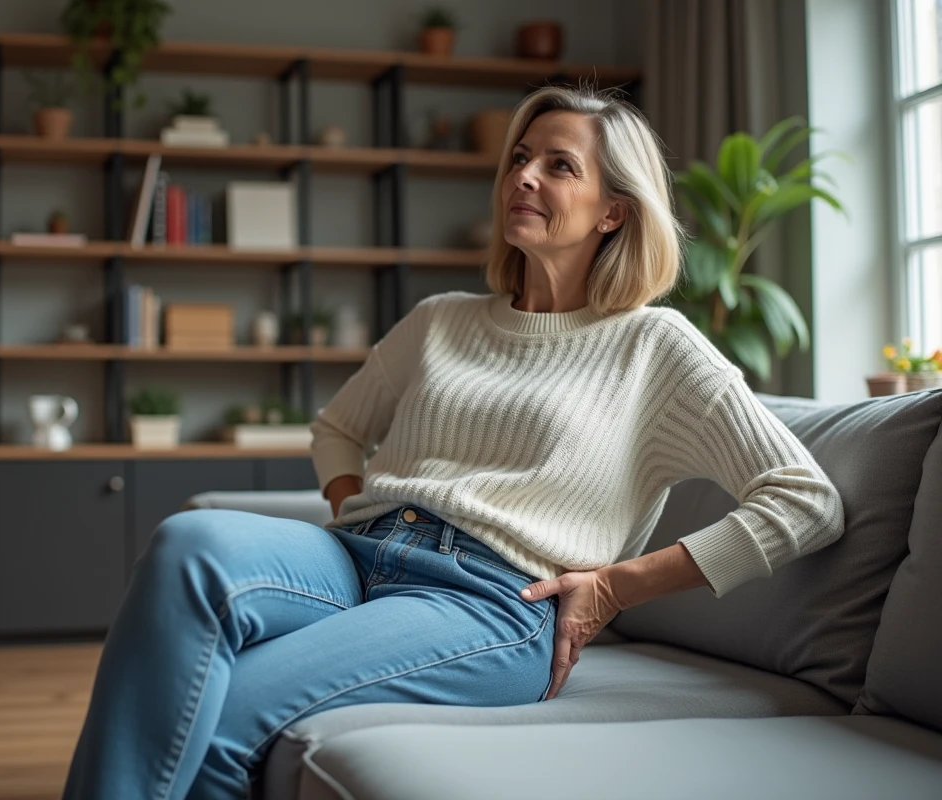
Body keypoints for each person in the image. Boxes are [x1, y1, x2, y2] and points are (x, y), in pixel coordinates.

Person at [62, 86, 845, 800]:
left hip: (486, 601)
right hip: (358, 555)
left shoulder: (655, 348)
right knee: (187, 545)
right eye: (519, 157)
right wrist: (347, 502)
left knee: (230, 708)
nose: (524, 176)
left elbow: (805, 501)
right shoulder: (443, 320)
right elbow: (338, 428)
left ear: (613, 210)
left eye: (559, 165)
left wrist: (615, 586)